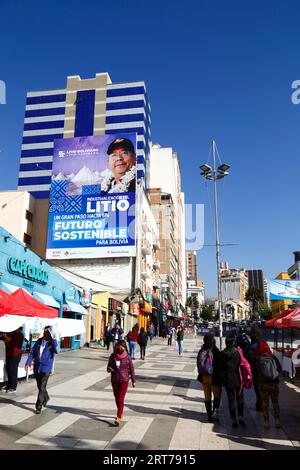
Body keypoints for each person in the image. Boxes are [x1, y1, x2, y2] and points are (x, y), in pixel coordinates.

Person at [25, 326, 58, 414]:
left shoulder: (52, 343)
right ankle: (46, 397)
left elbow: (57, 350)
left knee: (42, 387)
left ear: (50, 333)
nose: (44, 333)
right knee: (40, 387)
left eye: (47, 332)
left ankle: (38, 407)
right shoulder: (39, 341)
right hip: (37, 367)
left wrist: (54, 340)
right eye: (44, 331)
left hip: (46, 368)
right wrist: (28, 362)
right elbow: (32, 352)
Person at [107, 340, 136, 426]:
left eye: (122, 346)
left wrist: (133, 381)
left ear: (124, 347)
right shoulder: (112, 356)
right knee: (116, 397)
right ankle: (121, 412)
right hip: (114, 379)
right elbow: (108, 367)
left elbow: (132, 369)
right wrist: (109, 369)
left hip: (124, 380)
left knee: (120, 398)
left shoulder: (128, 357)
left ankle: (118, 417)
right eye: (119, 346)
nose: (120, 348)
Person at [254, 341, 281, 429]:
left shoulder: (257, 359)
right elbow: (279, 368)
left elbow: (255, 372)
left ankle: (266, 422)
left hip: (263, 384)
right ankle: (277, 421)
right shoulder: (272, 357)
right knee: (275, 402)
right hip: (274, 383)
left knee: (265, 403)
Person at [220, 336, 245, 428]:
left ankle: (233, 420)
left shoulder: (222, 353)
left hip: (227, 379)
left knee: (231, 399)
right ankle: (241, 417)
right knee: (240, 398)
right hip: (238, 378)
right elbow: (242, 364)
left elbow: (220, 367)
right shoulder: (238, 352)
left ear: (226, 343)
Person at [197, 333, 222, 422]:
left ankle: (209, 416)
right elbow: (219, 366)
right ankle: (215, 412)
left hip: (204, 377)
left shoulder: (201, 351)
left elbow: (198, 364)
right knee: (217, 395)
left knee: (207, 397)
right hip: (214, 377)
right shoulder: (216, 351)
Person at [0, 328, 24, 393]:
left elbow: (9, 340)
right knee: (8, 370)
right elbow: (5, 339)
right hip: (8, 354)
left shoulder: (19, 335)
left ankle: (13, 387)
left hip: (15, 355)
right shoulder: (11, 333)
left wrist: (4, 335)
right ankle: (9, 386)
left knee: (13, 371)